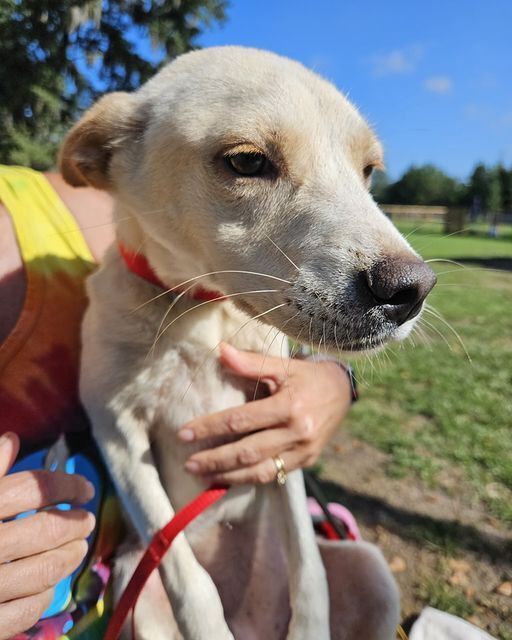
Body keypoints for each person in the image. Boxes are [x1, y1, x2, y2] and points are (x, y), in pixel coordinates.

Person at [0, 166, 352, 639]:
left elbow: (298, 352)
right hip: (129, 593)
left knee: (365, 583)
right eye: (247, 162)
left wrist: (335, 377)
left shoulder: (215, 237)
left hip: (250, 548)